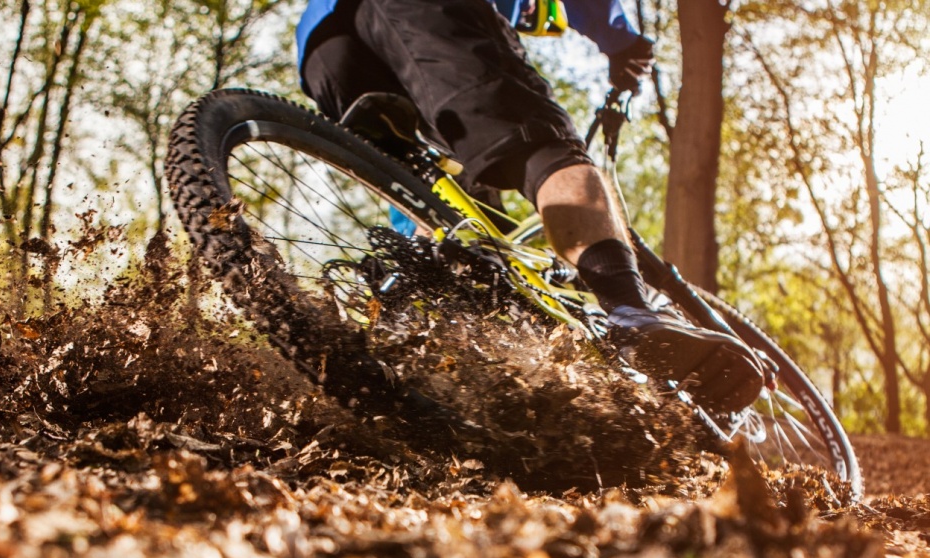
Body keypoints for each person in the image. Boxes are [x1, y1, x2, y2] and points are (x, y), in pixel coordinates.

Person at [294, 0, 765, 411]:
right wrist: (621, 41)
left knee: (446, 218)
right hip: (422, 13)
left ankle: (415, 361)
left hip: (325, 50)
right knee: (541, 145)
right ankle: (631, 312)